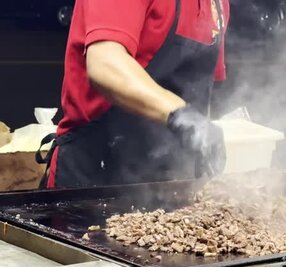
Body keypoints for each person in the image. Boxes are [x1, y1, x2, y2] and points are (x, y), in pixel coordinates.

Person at [39, 0, 229, 188]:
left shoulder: (218, 4)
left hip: (172, 181)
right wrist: (184, 116)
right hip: (97, 173)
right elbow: (105, 64)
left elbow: (204, 88)